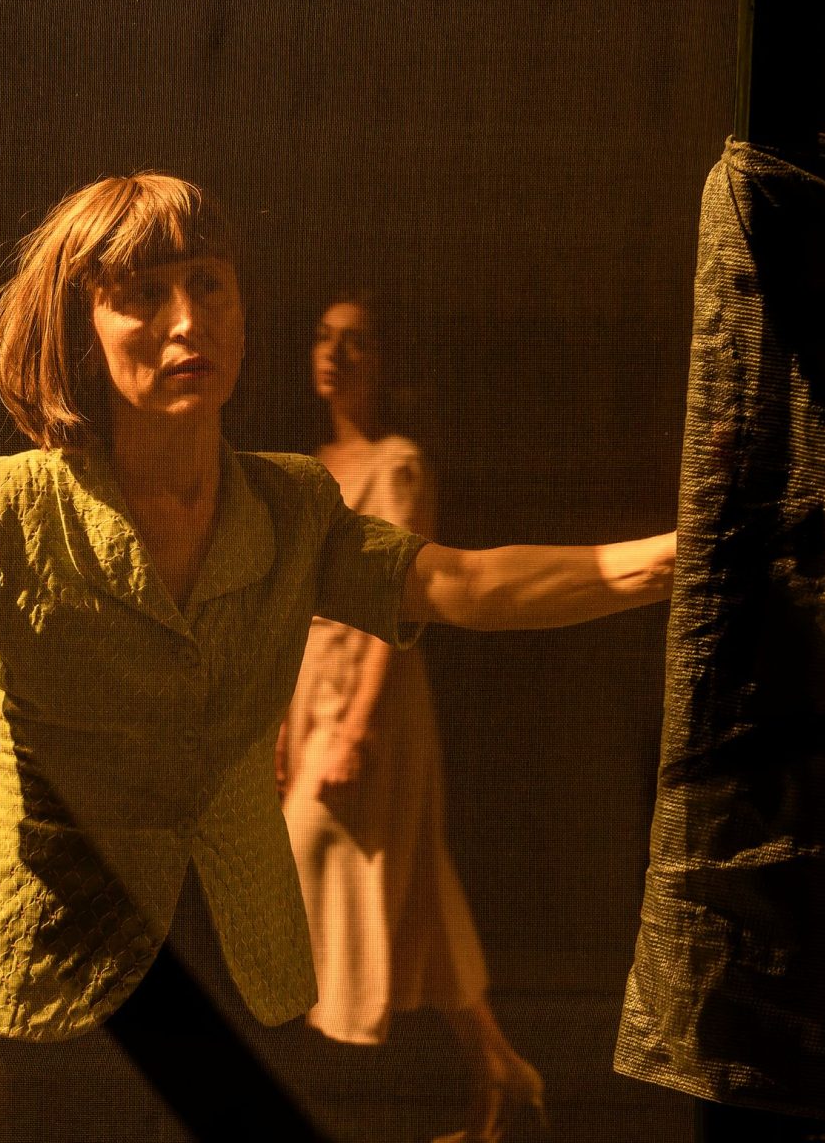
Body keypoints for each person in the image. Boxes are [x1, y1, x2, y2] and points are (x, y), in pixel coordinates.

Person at [0, 172, 673, 1139]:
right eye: (141, 294)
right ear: (79, 331)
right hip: (33, 997)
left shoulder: (293, 505)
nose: (187, 320)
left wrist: (678, 556)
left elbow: (465, 584)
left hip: (240, 993)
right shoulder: (12, 506)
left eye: (208, 283)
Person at [276, 295, 540, 1143]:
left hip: (371, 694)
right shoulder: (310, 466)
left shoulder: (399, 464)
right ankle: (502, 1072)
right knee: (419, 889)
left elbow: (395, 606)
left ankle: (313, 1076)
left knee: (314, 846)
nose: (336, 354)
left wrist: (356, 727)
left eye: (356, 341)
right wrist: (283, 721)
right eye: (325, 337)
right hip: (309, 688)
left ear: (381, 360)